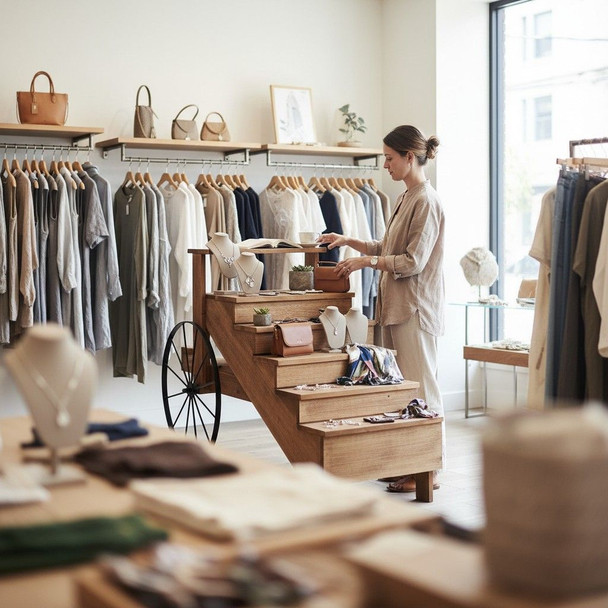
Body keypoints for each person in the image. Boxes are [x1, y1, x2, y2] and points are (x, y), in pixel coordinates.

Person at [317, 125, 445, 493]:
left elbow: (412, 261)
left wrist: (366, 264)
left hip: (415, 310)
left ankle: (430, 470)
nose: (384, 165)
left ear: (409, 157)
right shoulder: (407, 197)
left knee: (424, 389)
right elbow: (385, 246)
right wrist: (350, 242)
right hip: (396, 307)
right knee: (404, 390)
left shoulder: (427, 201)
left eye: (389, 158)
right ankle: (411, 464)